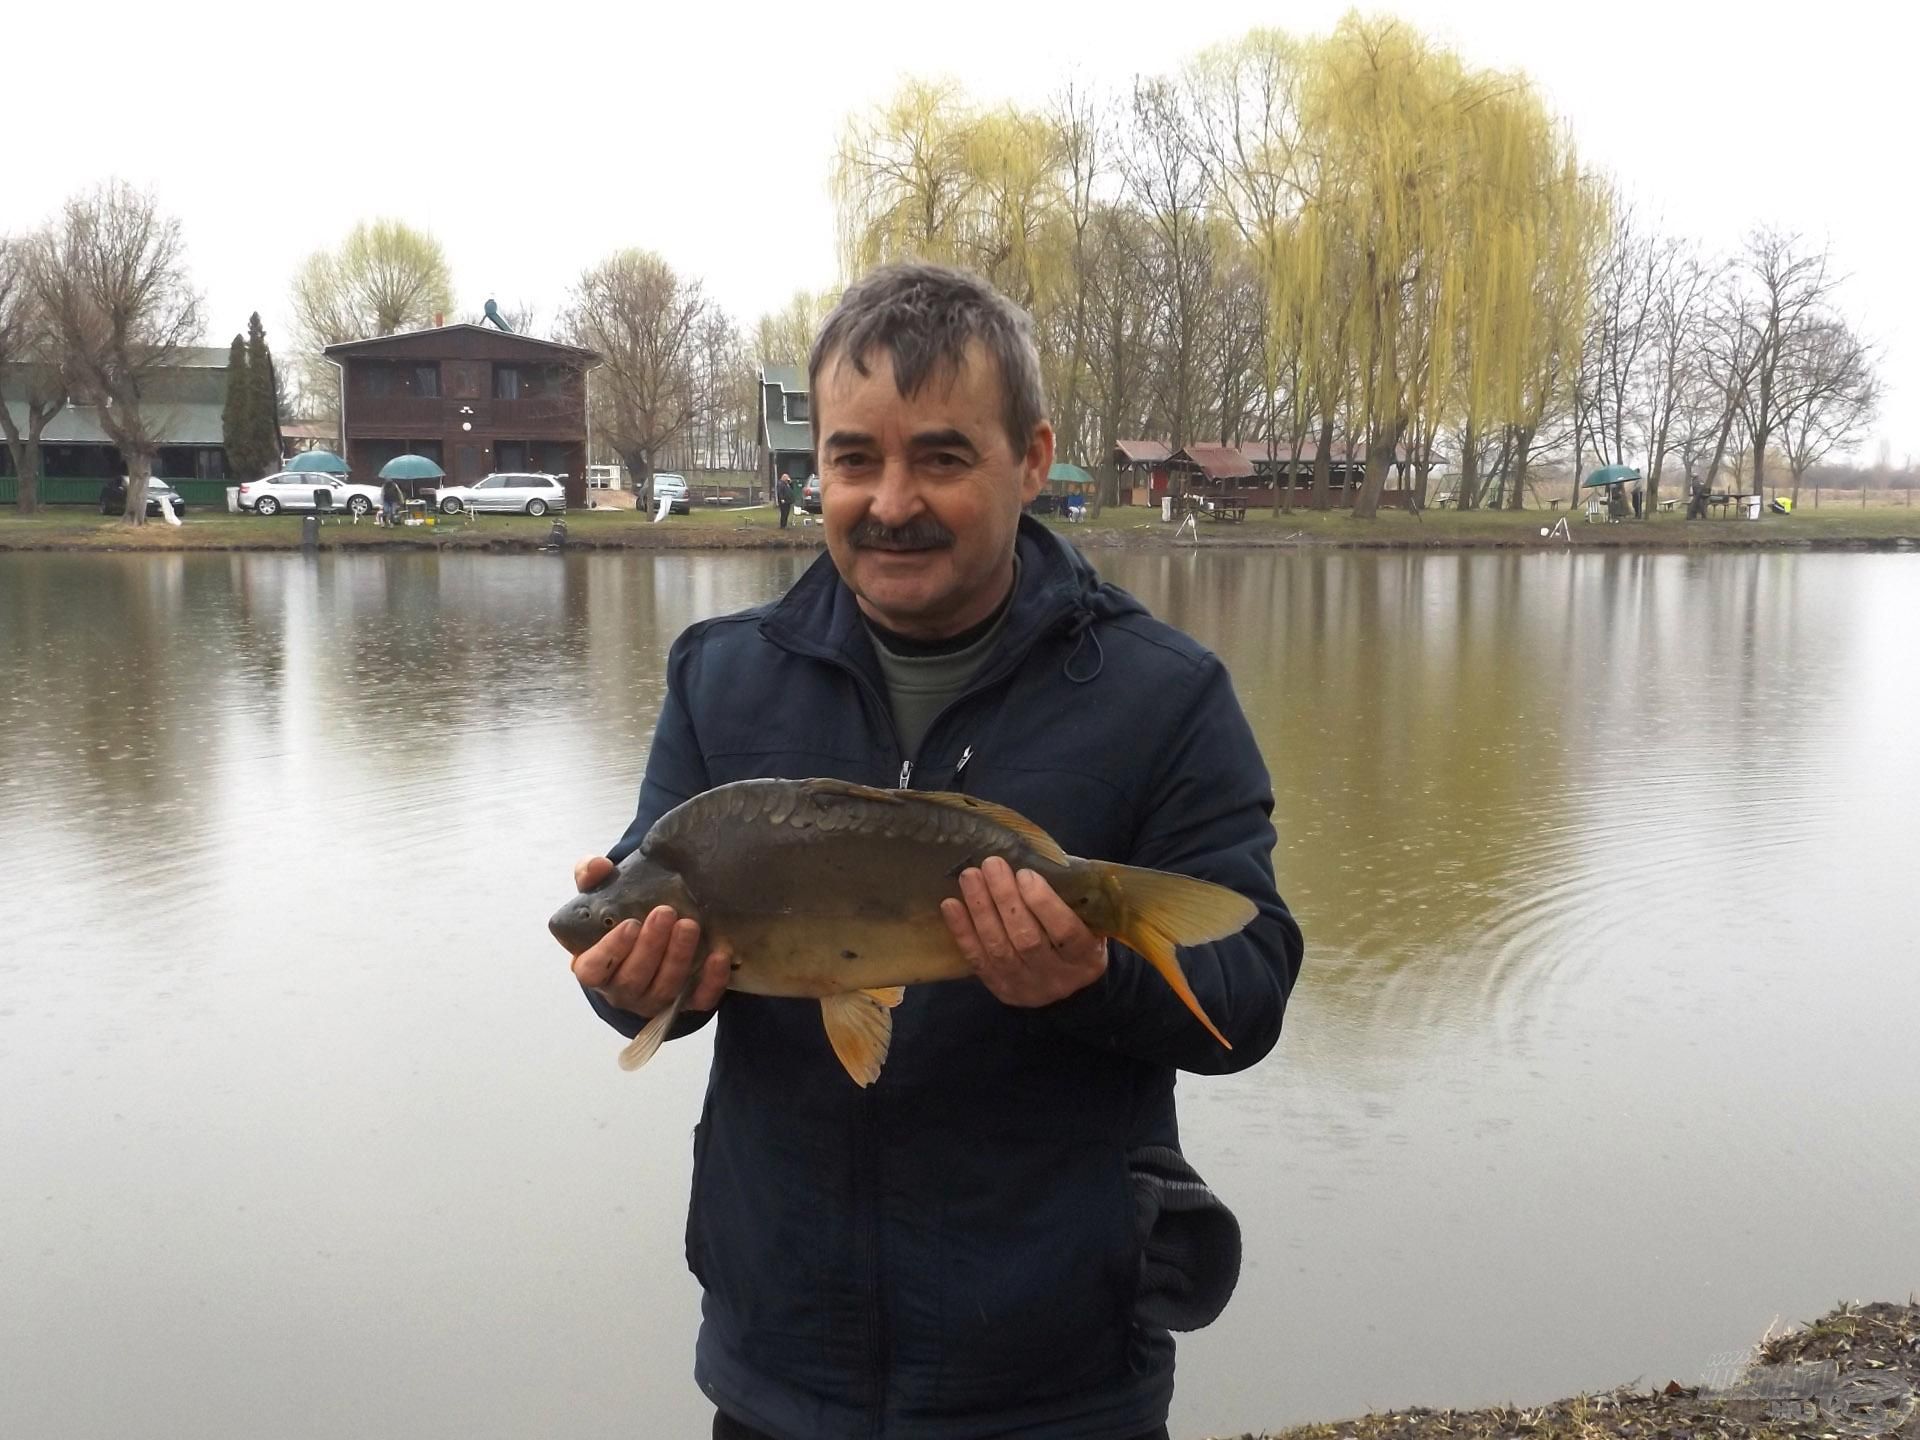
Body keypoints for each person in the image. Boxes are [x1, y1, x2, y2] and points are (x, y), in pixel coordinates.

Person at [563, 263, 1303, 1440]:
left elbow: (1250, 988)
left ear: (1032, 458)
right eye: (855, 458)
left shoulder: (1164, 697)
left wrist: (1092, 980)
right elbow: (651, 921)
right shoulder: (720, 675)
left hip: (1060, 1379)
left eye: (942, 458)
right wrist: (635, 984)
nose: (889, 499)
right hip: (778, 1366)